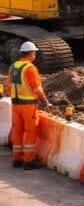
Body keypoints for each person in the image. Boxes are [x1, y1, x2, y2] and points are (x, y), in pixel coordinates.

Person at [6, 41, 49, 169]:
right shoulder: (30, 68)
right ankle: (28, 161)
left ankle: (17, 159)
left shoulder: (13, 66)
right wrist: (45, 100)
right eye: (34, 52)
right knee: (30, 131)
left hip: (15, 104)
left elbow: (8, 85)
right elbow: (36, 88)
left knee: (17, 131)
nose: (35, 55)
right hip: (28, 105)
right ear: (30, 54)